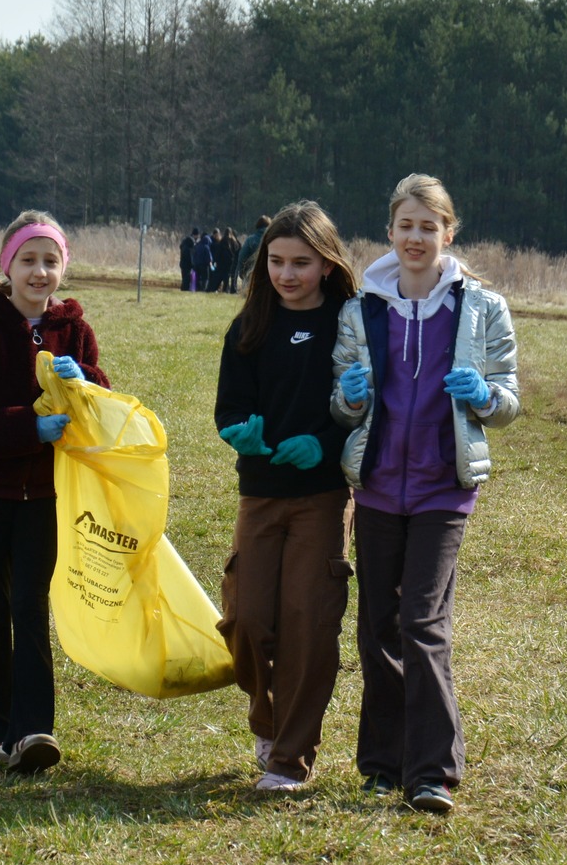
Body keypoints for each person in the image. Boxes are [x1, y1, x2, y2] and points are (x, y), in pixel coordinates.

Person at [332, 173, 519, 815]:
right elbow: (340, 400)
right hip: (380, 489)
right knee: (376, 626)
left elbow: (509, 400)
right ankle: (383, 765)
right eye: (405, 225)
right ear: (390, 231)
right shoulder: (362, 310)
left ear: (448, 233)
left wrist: (486, 397)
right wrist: (350, 398)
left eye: (428, 226)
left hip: (443, 490)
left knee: (422, 621)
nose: (416, 237)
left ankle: (433, 772)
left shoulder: (483, 309)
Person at [0, 211, 108, 774]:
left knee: (30, 604)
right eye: (28, 261)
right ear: (7, 266)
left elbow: (102, 402)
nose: (40, 273)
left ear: (64, 269)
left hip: (48, 496)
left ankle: (35, 731)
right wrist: (25, 427)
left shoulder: (74, 331)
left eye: (50, 262)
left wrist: (85, 382)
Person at [214, 201, 359, 794]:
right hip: (261, 494)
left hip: (322, 497)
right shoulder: (248, 324)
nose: (287, 274)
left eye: (301, 262)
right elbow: (229, 408)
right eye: (276, 261)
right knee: (246, 618)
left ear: (327, 265)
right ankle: (265, 719)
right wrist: (239, 432)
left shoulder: (349, 325)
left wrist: (324, 444)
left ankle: (290, 759)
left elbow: (362, 411)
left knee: (308, 623)